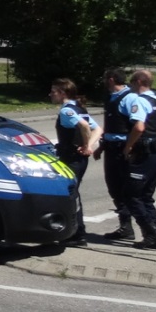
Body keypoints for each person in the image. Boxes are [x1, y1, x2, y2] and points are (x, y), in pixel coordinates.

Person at [121, 69, 156, 250]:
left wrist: (128, 146)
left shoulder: (140, 101)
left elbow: (139, 127)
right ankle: (153, 234)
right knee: (146, 196)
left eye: (132, 82)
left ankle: (152, 233)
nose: (131, 86)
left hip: (145, 153)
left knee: (131, 194)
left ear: (139, 82)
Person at [49, 78, 101, 246]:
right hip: (78, 159)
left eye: (54, 91)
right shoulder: (79, 108)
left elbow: (85, 126)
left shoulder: (67, 111)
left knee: (69, 195)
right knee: (73, 193)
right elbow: (99, 129)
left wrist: (87, 145)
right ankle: (77, 232)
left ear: (63, 93)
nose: (51, 94)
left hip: (71, 158)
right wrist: (89, 146)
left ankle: (76, 234)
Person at [98, 68, 137, 241]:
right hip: (111, 147)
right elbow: (110, 126)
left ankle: (146, 228)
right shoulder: (111, 98)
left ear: (112, 79)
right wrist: (101, 146)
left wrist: (129, 148)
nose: (104, 82)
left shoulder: (130, 98)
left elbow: (138, 126)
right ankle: (125, 226)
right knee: (114, 186)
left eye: (106, 78)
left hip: (123, 148)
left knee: (125, 188)